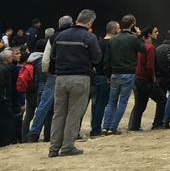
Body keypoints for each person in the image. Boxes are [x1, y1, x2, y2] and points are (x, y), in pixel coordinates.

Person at [48, 9, 101, 158]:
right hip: (80, 78)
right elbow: (97, 58)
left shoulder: (59, 36)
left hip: (60, 79)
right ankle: (67, 147)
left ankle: (53, 148)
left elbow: (53, 56)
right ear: (90, 22)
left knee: (58, 114)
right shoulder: (89, 37)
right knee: (74, 113)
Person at [102, 14, 141, 135]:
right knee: (123, 102)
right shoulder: (133, 39)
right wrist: (138, 35)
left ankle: (105, 127)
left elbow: (107, 60)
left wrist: (108, 74)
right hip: (128, 73)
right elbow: (143, 49)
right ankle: (113, 127)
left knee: (111, 101)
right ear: (133, 25)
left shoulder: (113, 39)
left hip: (114, 73)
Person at [129, 26, 167, 131]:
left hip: (137, 78)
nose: (158, 33)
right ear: (149, 34)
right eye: (156, 31)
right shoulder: (150, 48)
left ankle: (134, 126)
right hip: (146, 79)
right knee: (162, 100)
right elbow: (150, 66)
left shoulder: (140, 46)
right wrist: (154, 79)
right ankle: (157, 124)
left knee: (139, 105)